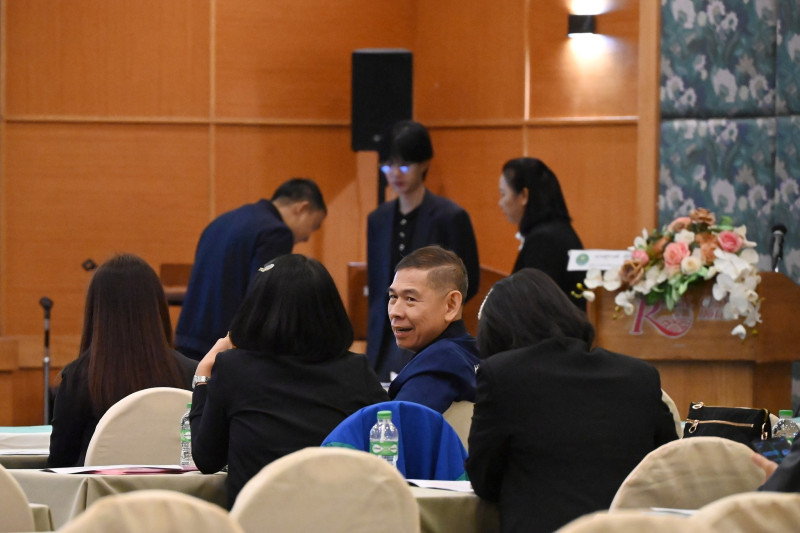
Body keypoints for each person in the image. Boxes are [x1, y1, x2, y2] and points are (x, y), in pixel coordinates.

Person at [466, 268, 678, 533]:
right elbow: (669, 465)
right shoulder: (639, 375)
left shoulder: (501, 376)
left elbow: (484, 481)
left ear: (497, 333)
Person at [189, 254, 388, 508]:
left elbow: (207, 460)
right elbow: (390, 444)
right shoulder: (356, 370)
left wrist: (203, 376)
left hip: (256, 519)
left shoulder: (234, 368)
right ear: (331, 311)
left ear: (257, 309)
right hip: (336, 517)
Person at [47, 254, 197, 467]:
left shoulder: (78, 378)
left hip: (100, 489)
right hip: (176, 488)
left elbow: (60, 463)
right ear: (157, 306)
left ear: (96, 310)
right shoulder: (192, 373)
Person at [367, 120, 479, 380]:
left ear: (425, 164)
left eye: (405, 165)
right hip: (384, 340)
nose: (395, 174)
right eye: (388, 166)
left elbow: (468, 281)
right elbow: (376, 285)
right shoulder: (377, 219)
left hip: (433, 337)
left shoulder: (450, 217)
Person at [176, 178, 327, 360]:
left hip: (188, 338)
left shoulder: (221, 222)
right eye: (314, 226)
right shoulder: (276, 233)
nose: (307, 238)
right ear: (302, 208)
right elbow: (264, 299)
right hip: (227, 348)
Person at [386, 246, 480, 414]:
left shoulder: (440, 363)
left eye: (411, 299)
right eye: (393, 297)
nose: (395, 312)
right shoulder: (470, 350)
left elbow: (397, 427)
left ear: (451, 305)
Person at [497, 157, 586, 310]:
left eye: (503, 194)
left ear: (524, 196)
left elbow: (533, 307)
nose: (500, 203)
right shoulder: (555, 230)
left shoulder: (545, 241)